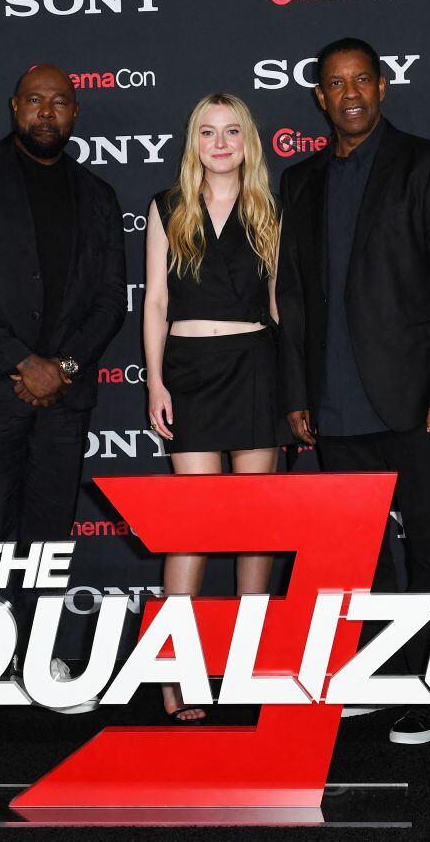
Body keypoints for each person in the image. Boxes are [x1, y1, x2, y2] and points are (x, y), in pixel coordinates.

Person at [275, 38, 430, 744]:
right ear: (320, 98)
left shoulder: (428, 163)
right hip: (335, 406)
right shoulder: (298, 181)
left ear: (384, 88)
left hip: (420, 402)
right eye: (336, 83)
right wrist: (298, 395)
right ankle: (382, 672)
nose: (351, 92)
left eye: (363, 78)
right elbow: (296, 300)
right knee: (357, 556)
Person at [0, 64, 127, 743]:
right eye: (35, 100)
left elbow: (109, 300)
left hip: (64, 397)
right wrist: (21, 361)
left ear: (76, 113)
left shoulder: (97, 194)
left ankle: (39, 658)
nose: (47, 112)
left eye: (60, 102)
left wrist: (61, 368)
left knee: (48, 533)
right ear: (15, 106)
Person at [142, 92, 290, 723]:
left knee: (257, 526)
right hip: (190, 374)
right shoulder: (167, 207)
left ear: (248, 141)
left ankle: (251, 661)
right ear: (193, 141)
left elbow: (281, 305)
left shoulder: (271, 209)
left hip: (258, 369)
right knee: (194, 526)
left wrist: (297, 391)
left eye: (232, 131)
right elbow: (154, 302)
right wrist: (155, 382)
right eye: (208, 132)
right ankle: (174, 673)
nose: (221, 143)